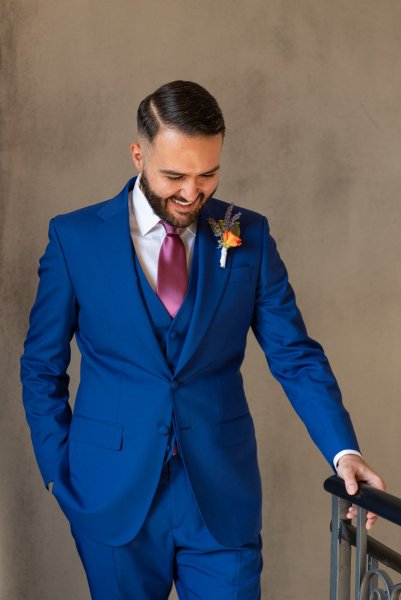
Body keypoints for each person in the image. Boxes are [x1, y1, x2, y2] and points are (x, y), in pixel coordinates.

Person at [20, 80, 385, 600]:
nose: (192, 193)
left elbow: (294, 355)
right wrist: (59, 471)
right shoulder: (74, 238)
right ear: (137, 155)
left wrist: (342, 450)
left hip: (220, 495)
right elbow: (41, 368)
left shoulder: (246, 234)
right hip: (108, 492)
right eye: (174, 175)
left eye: (208, 174)